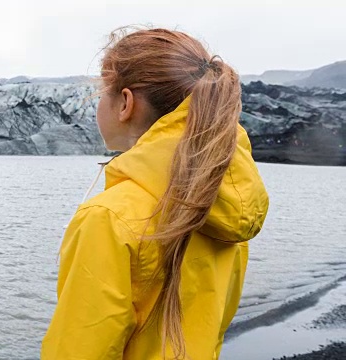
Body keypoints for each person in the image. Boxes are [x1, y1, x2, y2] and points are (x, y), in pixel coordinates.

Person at [41, 28, 269, 359]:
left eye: (102, 94)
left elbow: (81, 348)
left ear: (125, 103)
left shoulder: (109, 217)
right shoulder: (224, 197)